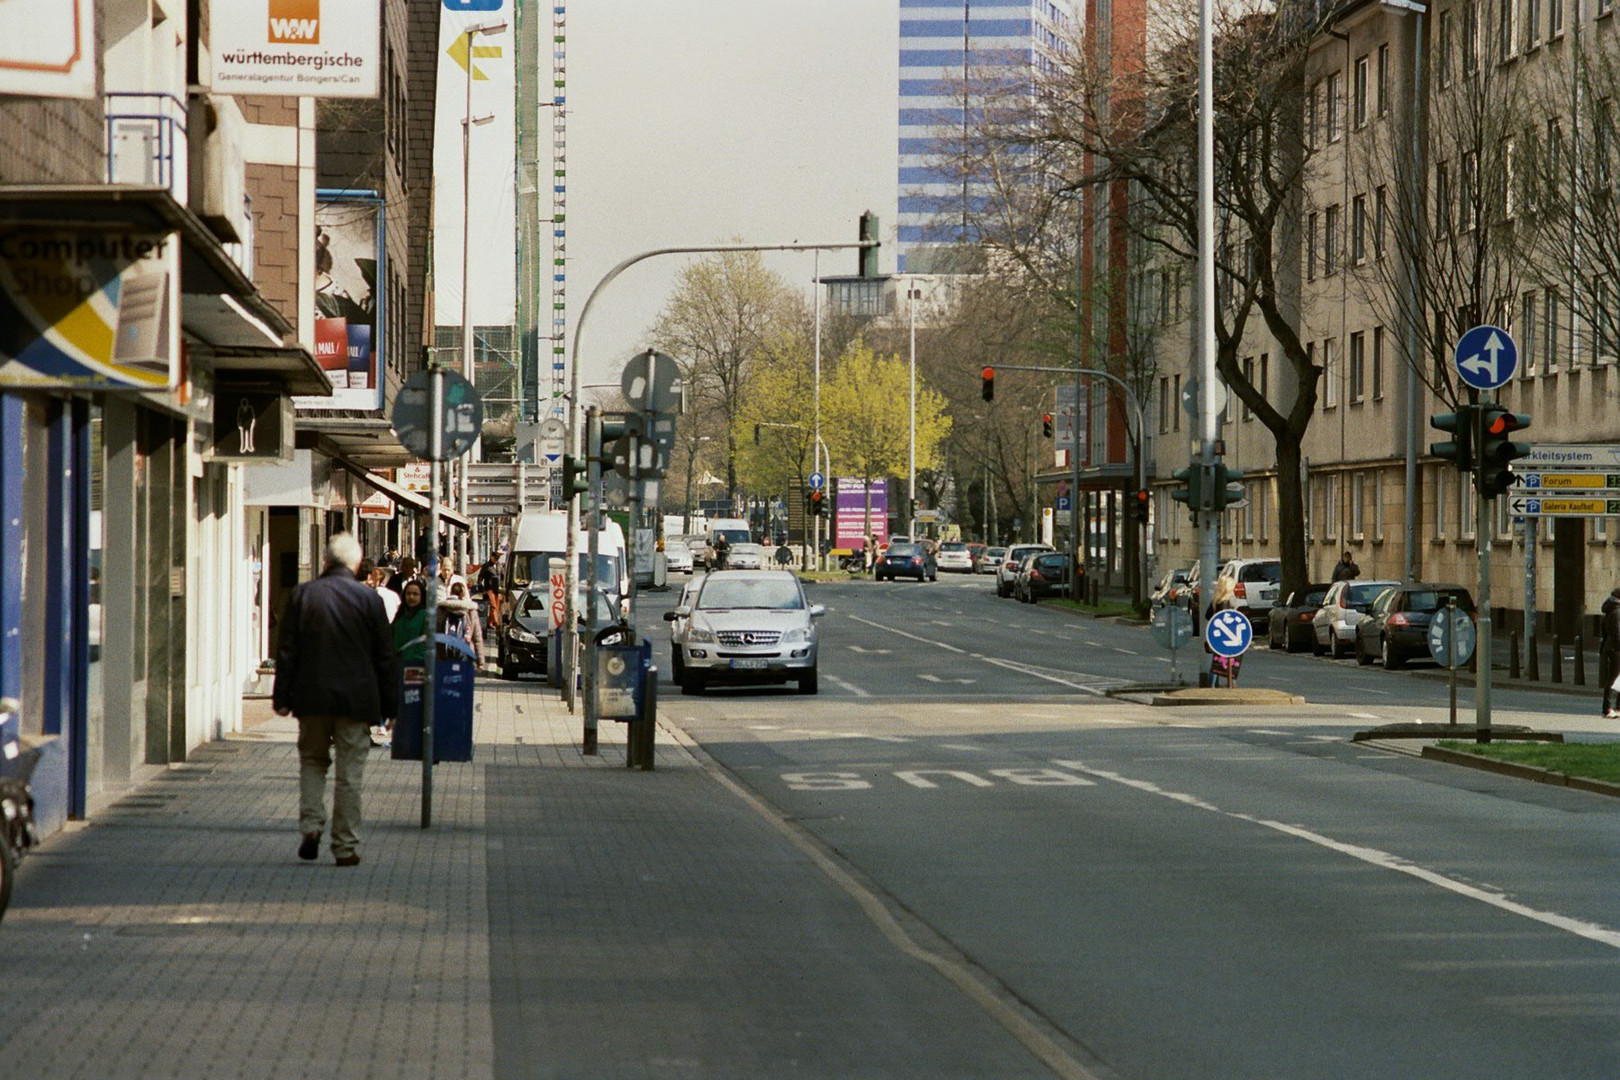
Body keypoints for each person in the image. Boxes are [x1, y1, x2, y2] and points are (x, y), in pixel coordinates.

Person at [272, 533, 396, 868]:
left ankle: (311, 827)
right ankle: (344, 846)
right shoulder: (369, 600)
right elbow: (385, 656)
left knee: (312, 762)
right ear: (356, 564)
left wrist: (282, 697)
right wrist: (390, 707)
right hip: (356, 701)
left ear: (326, 561)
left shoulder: (303, 595)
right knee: (349, 775)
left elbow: (287, 652)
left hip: (311, 698)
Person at [444, 581, 486, 667]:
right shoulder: (470, 610)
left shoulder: (442, 610)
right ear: (464, 594)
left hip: (444, 655)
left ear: (450, 592)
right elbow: (477, 637)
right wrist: (480, 661)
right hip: (466, 655)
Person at [1600, 587, 1620, 718]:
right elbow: (1618, 633)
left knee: (1615, 677)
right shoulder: (1617, 612)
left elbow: (1604, 631)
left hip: (1610, 647)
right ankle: (1607, 708)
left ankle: (1617, 706)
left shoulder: (1610, 610)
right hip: (1617, 648)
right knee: (1613, 678)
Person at [476, 558, 503, 631]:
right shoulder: (486, 566)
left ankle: (490, 622)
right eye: (496, 558)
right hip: (489, 588)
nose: (497, 560)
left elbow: (502, 575)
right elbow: (481, 576)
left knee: (496, 606)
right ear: (492, 557)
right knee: (493, 605)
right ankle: (497, 622)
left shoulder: (499, 566)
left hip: (498, 588)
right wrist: (479, 585)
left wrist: (503, 585)